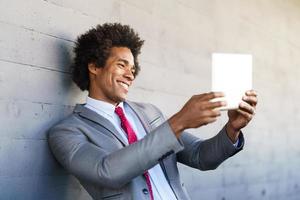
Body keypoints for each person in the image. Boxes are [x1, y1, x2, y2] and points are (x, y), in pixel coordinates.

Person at [48, 23, 258, 200]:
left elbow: (200, 156)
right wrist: (178, 122)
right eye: (122, 65)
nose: (130, 75)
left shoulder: (149, 113)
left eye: (132, 69)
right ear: (94, 66)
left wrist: (232, 129)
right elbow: (107, 172)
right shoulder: (67, 132)